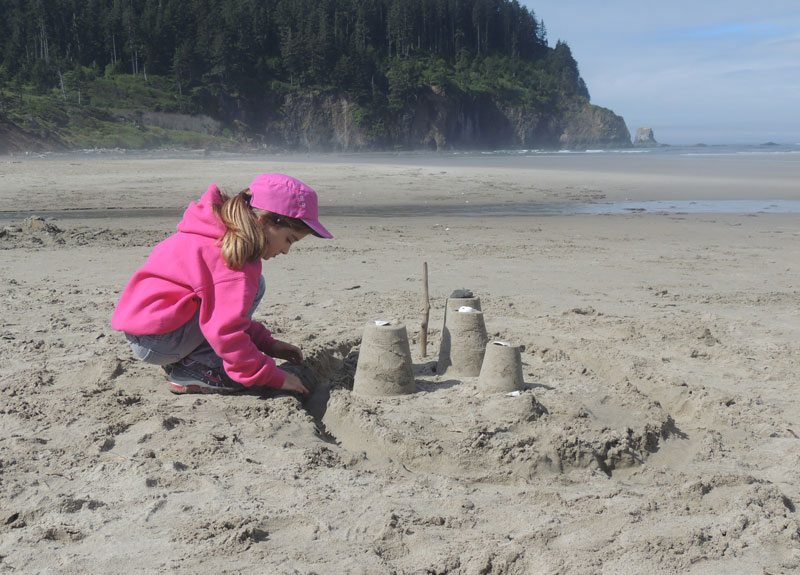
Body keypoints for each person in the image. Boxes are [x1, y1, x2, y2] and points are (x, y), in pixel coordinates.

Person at [111, 173, 333, 395]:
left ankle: (186, 356)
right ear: (264, 221)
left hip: (149, 332)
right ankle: (195, 368)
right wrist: (272, 375)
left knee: (254, 287)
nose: (285, 251)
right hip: (159, 341)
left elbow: (219, 311)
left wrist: (266, 343)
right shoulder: (234, 262)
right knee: (253, 291)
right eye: (289, 240)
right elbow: (225, 330)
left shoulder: (216, 229)